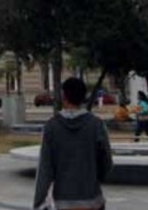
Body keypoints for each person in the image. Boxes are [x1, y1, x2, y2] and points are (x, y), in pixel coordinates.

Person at [33, 77, 113, 210]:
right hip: (92, 200)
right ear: (83, 97)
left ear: (64, 96)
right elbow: (107, 162)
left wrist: (38, 203)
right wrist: (95, 177)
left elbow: (44, 170)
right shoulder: (96, 125)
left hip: (63, 201)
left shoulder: (51, 127)